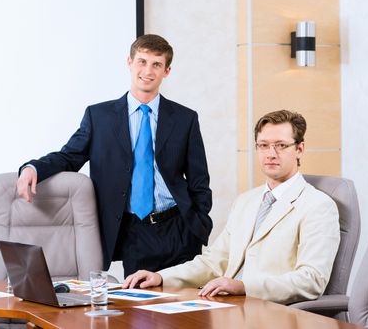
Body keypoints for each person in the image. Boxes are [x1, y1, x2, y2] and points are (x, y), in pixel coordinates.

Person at [16, 34, 212, 276]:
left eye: (156, 64)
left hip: (178, 228)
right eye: (142, 61)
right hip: (132, 230)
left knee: (182, 308)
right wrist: (32, 168)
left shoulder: (185, 119)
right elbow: (69, 157)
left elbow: (199, 179)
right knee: (141, 308)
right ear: (129, 63)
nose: (148, 71)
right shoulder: (99, 117)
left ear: (167, 71)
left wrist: (198, 222)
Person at [123, 110, 340, 304]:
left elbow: (312, 279)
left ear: (299, 149)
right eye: (263, 145)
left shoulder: (318, 206)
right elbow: (214, 262)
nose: (271, 153)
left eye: (281, 145)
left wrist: (244, 287)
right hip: (225, 305)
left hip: (269, 310)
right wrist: (161, 277)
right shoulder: (246, 201)